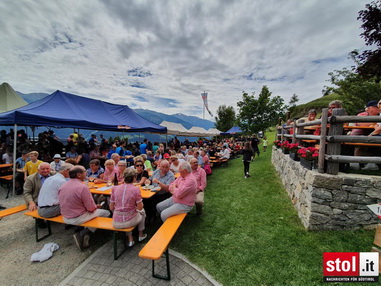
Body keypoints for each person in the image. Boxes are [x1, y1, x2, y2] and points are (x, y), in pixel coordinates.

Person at [58, 166, 110, 250]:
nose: (86, 173)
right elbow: (91, 209)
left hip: (65, 216)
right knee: (106, 212)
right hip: (78, 217)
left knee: (95, 211)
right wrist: (96, 206)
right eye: (85, 171)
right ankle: (86, 232)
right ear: (79, 175)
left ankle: (81, 228)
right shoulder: (82, 187)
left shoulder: (63, 185)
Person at [109, 168, 147, 247]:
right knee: (142, 212)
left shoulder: (115, 188)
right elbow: (140, 207)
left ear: (124, 177)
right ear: (134, 177)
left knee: (126, 214)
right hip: (129, 220)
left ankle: (130, 239)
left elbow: (111, 207)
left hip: (116, 222)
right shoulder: (135, 189)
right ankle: (140, 234)